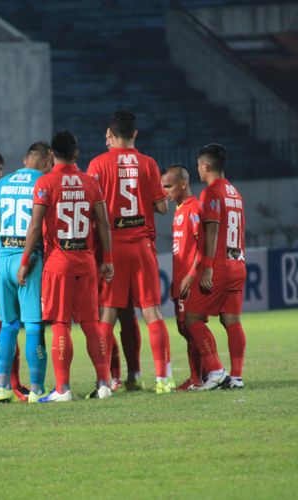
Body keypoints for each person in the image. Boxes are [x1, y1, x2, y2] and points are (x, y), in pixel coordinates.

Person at [17, 131, 115, 402]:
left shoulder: (45, 183)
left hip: (59, 263)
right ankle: (104, 384)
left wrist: (24, 261)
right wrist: (107, 260)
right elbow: (104, 224)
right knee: (91, 324)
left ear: (51, 155)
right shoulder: (90, 182)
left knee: (61, 324)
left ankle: (63, 388)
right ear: (76, 153)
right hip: (86, 261)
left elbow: (35, 226)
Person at [87, 110, 174, 394]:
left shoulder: (98, 165)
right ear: (135, 134)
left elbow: (88, 209)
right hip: (142, 247)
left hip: (111, 248)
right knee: (152, 313)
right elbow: (162, 207)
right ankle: (163, 379)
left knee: (107, 317)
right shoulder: (148, 164)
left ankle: (105, 382)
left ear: (110, 136)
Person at [0, 142, 53, 403]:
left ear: (25, 159)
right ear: (48, 160)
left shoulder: (1, 184)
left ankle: (2, 387)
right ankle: (36, 389)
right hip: (28, 258)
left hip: (4, 259)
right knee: (33, 326)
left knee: (8, 325)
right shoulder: (44, 182)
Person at [161, 165, 225, 390]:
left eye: (168, 186)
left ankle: (202, 377)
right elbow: (181, 249)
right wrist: (175, 279)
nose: (164, 191)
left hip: (193, 280)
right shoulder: (179, 209)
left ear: (183, 184)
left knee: (191, 326)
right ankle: (202, 377)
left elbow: (202, 243)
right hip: (181, 280)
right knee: (184, 328)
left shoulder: (194, 208)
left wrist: (190, 274)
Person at [189, 143, 247, 389]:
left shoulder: (211, 192)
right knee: (231, 321)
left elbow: (212, 230)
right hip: (238, 264)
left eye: (199, 166)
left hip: (220, 267)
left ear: (206, 165)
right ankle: (236, 376)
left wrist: (208, 266)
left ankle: (215, 370)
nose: (198, 171)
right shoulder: (234, 192)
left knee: (191, 318)